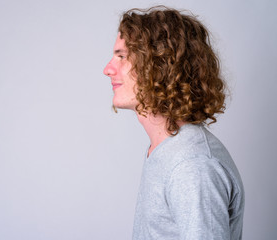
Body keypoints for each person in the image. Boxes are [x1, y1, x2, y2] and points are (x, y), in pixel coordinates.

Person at [103, 6, 245, 240]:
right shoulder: (166, 149)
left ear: (160, 65)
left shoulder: (192, 166)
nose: (107, 69)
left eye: (122, 56)